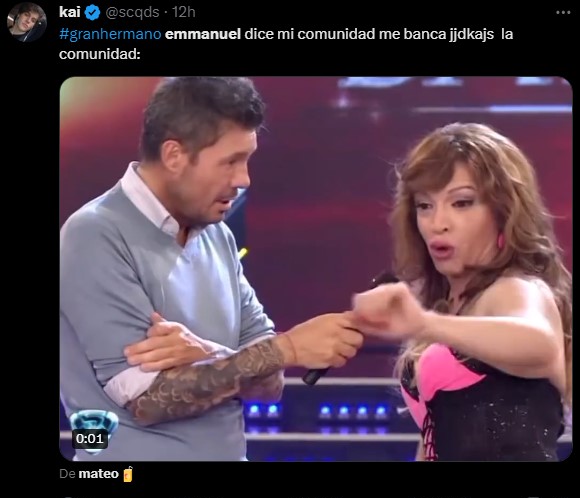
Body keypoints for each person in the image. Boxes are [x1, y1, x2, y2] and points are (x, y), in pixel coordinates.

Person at [60, 76, 363, 461]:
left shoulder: (218, 236)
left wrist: (205, 351)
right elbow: (148, 401)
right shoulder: (94, 233)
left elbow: (270, 384)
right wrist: (286, 348)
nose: (243, 179)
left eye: (246, 160)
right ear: (174, 156)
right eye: (230, 161)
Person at [351, 122, 571, 461]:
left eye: (462, 203)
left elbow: (540, 343)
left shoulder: (514, 288)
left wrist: (425, 324)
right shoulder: (449, 305)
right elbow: (436, 438)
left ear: (503, 212)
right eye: (424, 206)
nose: (438, 223)